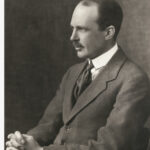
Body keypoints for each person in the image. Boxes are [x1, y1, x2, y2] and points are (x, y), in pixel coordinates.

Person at [6, 0, 150, 150]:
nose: (72, 37)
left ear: (108, 32)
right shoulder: (72, 73)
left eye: (81, 29)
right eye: (72, 28)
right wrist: (22, 141)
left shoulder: (133, 79)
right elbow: (48, 125)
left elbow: (110, 146)